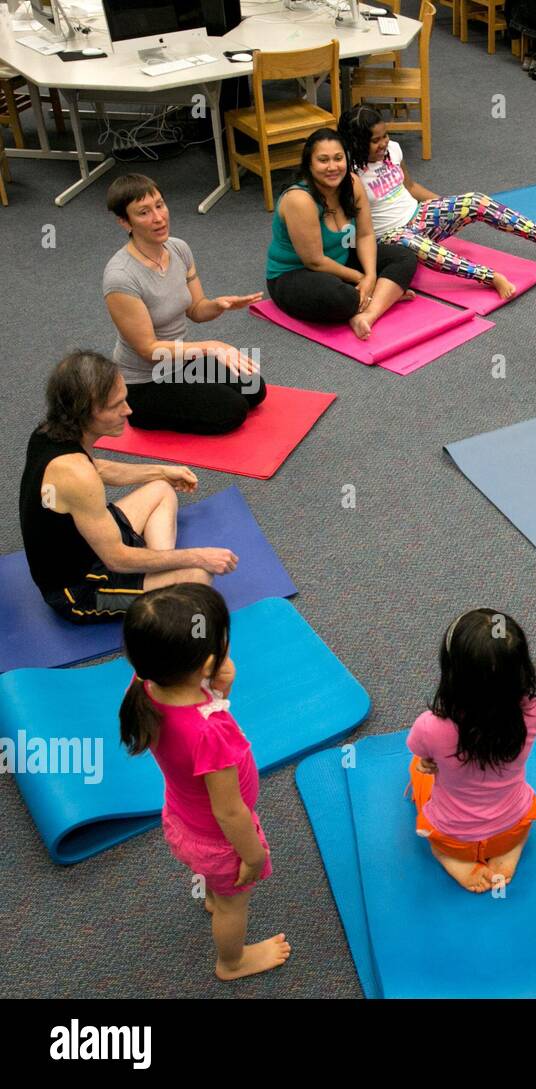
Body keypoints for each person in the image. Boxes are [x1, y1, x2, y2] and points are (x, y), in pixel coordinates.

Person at [119, 584, 288, 981]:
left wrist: (219, 684)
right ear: (207, 662)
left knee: (220, 892)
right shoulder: (209, 733)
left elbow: (193, 708)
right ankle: (232, 962)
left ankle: (214, 894)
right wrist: (252, 856)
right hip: (221, 842)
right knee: (235, 906)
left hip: (182, 819)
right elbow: (229, 811)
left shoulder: (144, 684)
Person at [19, 351, 238, 624]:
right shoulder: (75, 475)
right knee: (198, 576)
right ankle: (161, 589)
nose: (128, 410)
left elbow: (97, 467)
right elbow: (118, 560)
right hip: (79, 592)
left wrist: (161, 471)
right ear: (86, 410)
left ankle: (158, 572)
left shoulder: (48, 433)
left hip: (86, 543)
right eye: (116, 405)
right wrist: (198, 556)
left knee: (160, 489)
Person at [339, 107, 536, 302]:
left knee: (475, 200)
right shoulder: (350, 174)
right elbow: (352, 222)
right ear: (358, 143)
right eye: (375, 140)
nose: (383, 143)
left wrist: (448, 207)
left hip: (418, 215)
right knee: (418, 245)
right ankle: (490, 277)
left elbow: (411, 187)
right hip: (391, 236)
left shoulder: (393, 150)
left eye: (385, 136)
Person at [103, 174, 265, 435]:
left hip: (180, 362)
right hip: (145, 381)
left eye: (160, 205)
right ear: (125, 222)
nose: (158, 218)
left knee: (254, 389)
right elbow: (148, 349)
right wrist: (209, 347)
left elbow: (196, 309)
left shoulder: (178, 249)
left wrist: (219, 305)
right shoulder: (121, 277)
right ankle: (143, 413)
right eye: (143, 212)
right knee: (232, 411)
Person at [406, 609, 536, 893]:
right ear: (523, 670)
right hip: (513, 827)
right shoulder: (534, 714)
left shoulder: (429, 726)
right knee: (524, 808)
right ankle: (508, 851)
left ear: (451, 672)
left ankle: (452, 859)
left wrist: (427, 762)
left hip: (454, 839)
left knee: (416, 768)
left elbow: (424, 757)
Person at [264, 129, 417, 340]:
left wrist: (371, 275)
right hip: (296, 273)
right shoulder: (299, 200)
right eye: (323, 160)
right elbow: (315, 262)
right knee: (340, 299)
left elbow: (364, 235)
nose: (332, 167)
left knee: (404, 257)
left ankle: (367, 314)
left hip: (340, 261)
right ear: (309, 163)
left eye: (338, 158)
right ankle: (381, 297)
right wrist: (362, 278)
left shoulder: (352, 183)